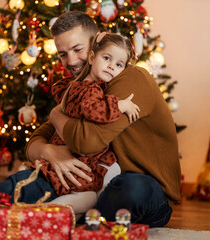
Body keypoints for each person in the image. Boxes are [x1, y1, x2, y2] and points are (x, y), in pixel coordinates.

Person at [0, 11, 180, 239]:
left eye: (77, 49)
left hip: (143, 186)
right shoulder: (79, 87)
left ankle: (78, 220)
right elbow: (36, 140)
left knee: (127, 189)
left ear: (96, 44)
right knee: (19, 186)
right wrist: (49, 152)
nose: (70, 61)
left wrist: (58, 117)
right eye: (62, 54)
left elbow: (86, 142)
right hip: (85, 182)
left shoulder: (130, 78)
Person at [35, 32, 139, 213]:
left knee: (108, 175)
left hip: (79, 152)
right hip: (76, 155)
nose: (111, 66)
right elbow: (93, 110)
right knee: (90, 196)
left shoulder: (82, 85)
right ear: (92, 57)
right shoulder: (89, 88)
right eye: (107, 58)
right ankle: (48, 212)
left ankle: (61, 212)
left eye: (119, 64)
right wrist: (120, 105)